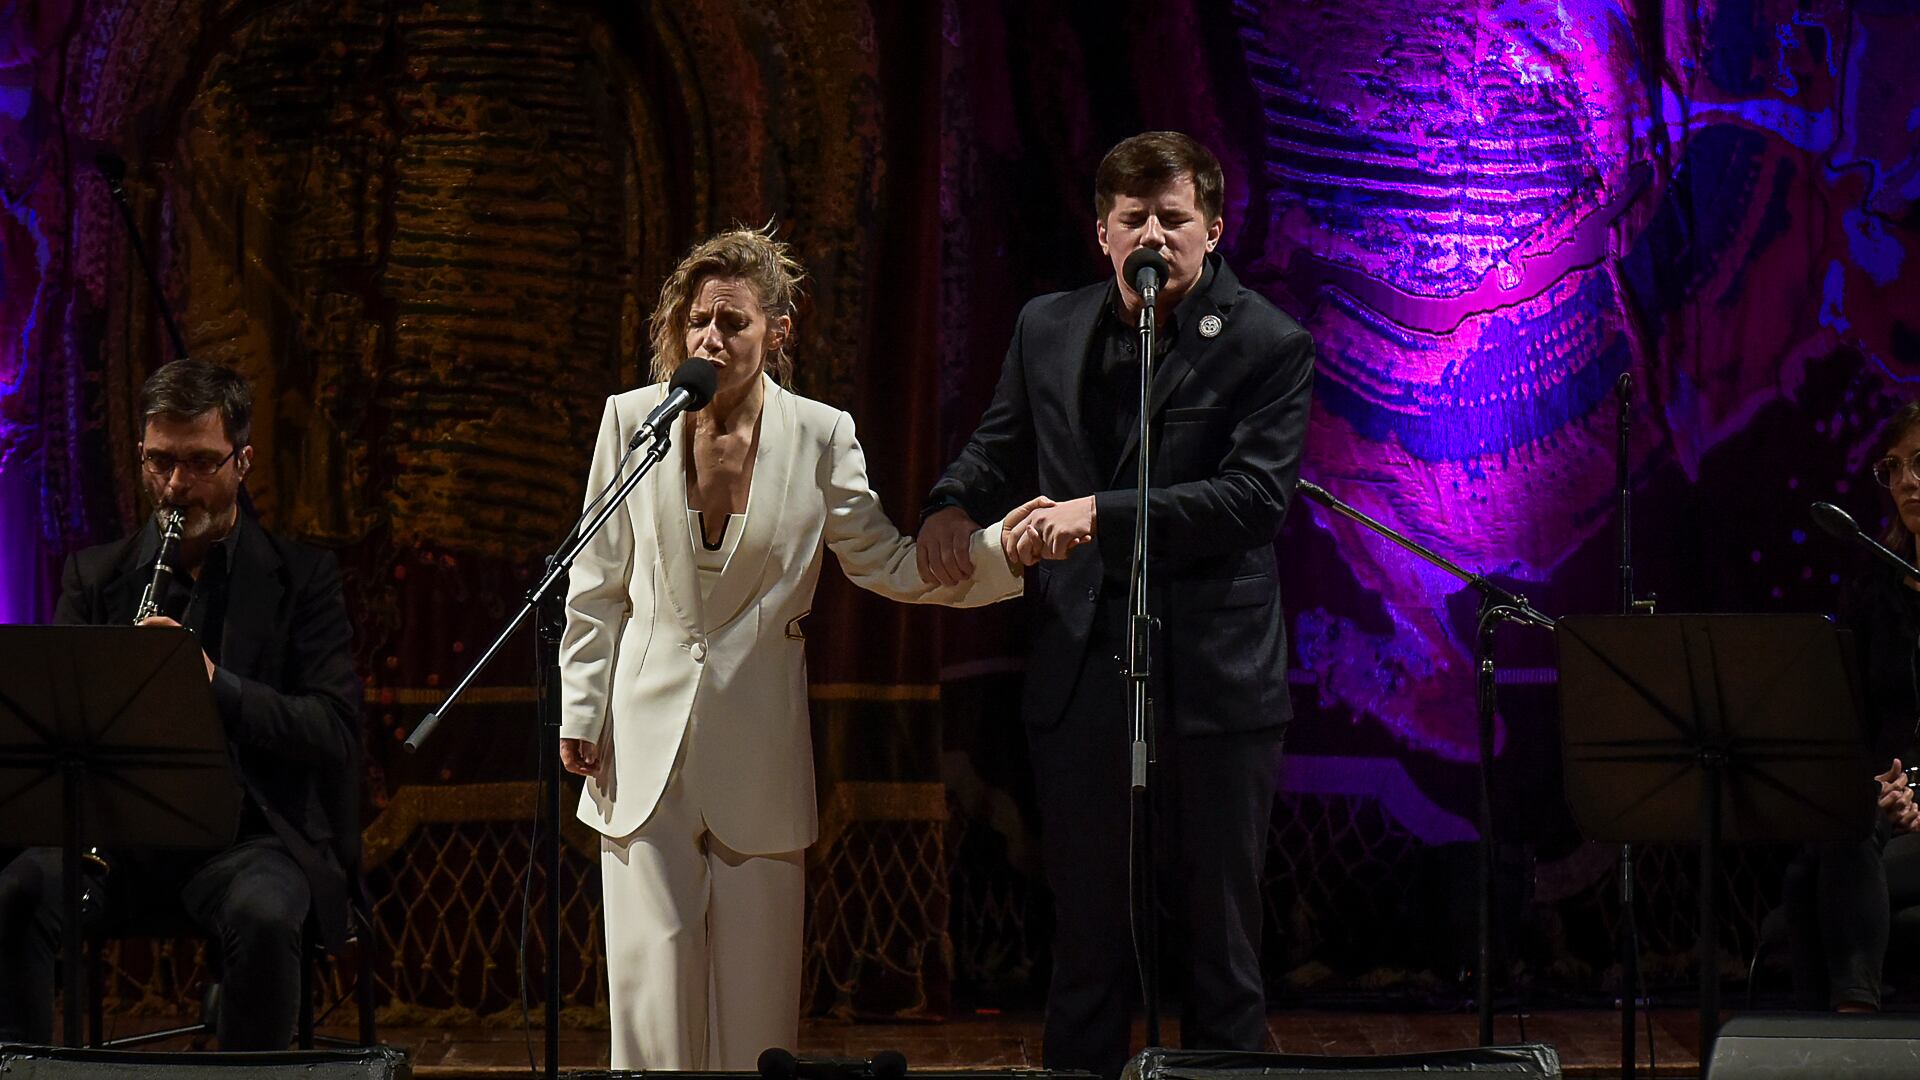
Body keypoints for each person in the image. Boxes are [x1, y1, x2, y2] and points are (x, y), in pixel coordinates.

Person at [559, 227, 1038, 1071]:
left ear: (778, 330)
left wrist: (1001, 551)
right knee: (651, 1018)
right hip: (641, 751)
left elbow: (887, 562)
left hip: (759, 750)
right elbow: (597, 584)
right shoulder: (632, 419)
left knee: (755, 1025)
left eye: (731, 322)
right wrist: (582, 709)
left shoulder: (820, 436)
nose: (708, 337)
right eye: (697, 319)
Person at [916, 132, 1315, 1078]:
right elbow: (999, 444)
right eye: (1134, 218)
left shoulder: (1268, 341)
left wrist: (1100, 515)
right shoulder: (1046, 327)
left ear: (1212, 230)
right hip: (1084, 668)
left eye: (1173, 218)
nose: (1154, 235)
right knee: (1086, 944)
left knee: (1220, 949)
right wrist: (949, 504)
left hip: (1215, 683)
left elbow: (1255, 500)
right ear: (1102, 234)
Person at [0, 359, 361, 1049]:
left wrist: (211, 682)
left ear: (242, 460)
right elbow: (53, 731)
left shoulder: (303, 579)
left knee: (262, 915)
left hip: (249, 841)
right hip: (116, 847)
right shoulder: (95, 578)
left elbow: (333, 730)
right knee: (16, 894)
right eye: (160, 462)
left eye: (199, 463)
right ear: (140, 454)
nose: (175, 486)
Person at [1784, 400, 1920, 1011]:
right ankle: (1846, 1035)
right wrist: (1879, 787)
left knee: (1810, 885)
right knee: (1829, 846)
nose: (1906, 482)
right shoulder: (1873, 593)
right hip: (1885, 808)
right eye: (1892, 468)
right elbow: (1850, 722)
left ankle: (1843, 1040)